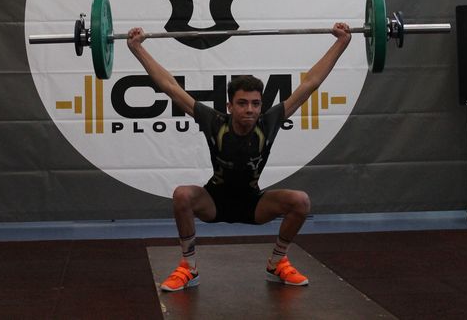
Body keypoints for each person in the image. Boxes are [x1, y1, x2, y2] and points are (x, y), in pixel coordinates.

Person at [127, 22, 352, 291]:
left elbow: (310, 83)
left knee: (300, 201)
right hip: (214, 201)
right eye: (242, 103)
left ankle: (277, 263)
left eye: (255, 104)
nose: (250, 109)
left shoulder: (268, 122)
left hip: (253, 204)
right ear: (230, 106)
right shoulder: (214, 121)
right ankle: (189, 267)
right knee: (182, 195)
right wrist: (137, 48)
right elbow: (170, 87)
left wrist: (341, 43)